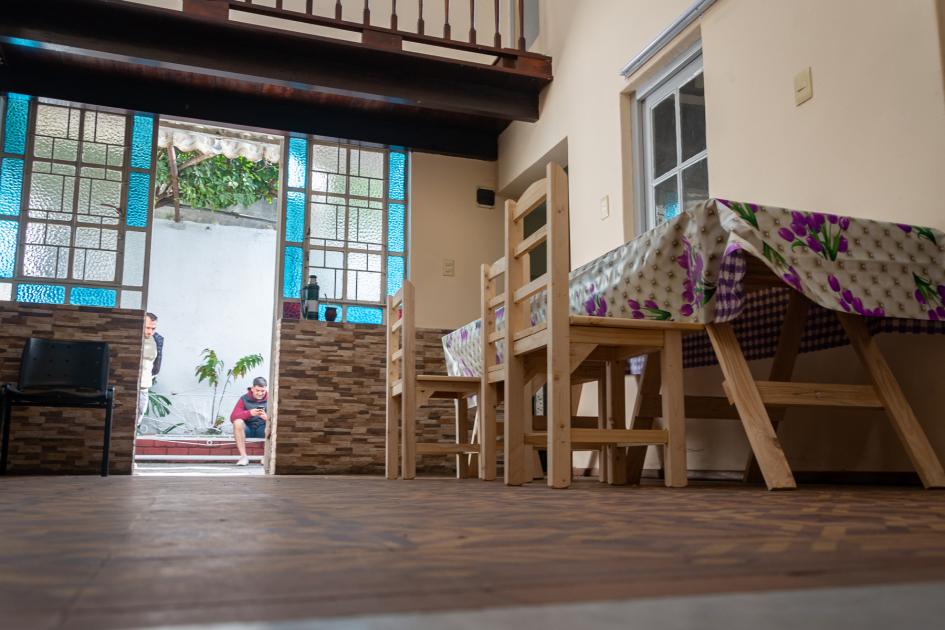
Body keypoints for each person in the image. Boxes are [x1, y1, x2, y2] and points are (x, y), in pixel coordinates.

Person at [230, 376, 269, 466]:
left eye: (262, 391)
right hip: (247, 429)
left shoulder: (271, 398)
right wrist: (250, 413)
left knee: (271, 424)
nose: (260, 393)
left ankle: (266, 457)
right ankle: (243, 457)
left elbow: (278, 418)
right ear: (252, 389)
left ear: (265, 389)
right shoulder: (244, 398)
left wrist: (267, 418)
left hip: (262, 429)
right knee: (237, 422)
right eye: (257, 390)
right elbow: (233, 417)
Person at [138, 312, 162, 429]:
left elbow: (156, 361)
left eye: (153, 328)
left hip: (145, 386)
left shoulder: (157, 340)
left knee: (138, 419)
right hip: (131, 385)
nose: (150, 331)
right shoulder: (135, 338)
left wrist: (154, 374)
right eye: (147, 327)